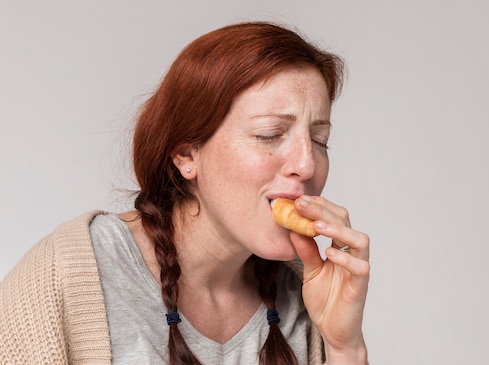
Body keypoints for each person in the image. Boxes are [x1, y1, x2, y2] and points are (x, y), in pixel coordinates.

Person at [0, 21, 370, 364]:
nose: (307, 165)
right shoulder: (65, 276)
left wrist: (345, 346)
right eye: (270, 134)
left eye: (319, 140)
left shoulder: (303, 296)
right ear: (187, 154)